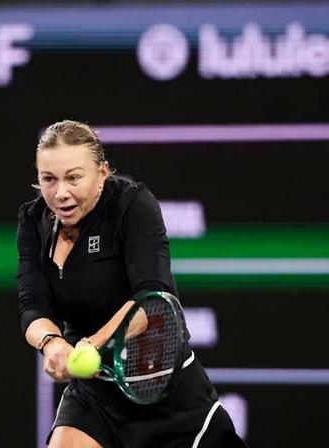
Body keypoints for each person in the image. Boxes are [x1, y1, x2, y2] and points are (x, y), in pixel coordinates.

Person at [17, 120, 247, 447]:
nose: (60, 192)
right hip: (94, 396)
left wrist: (92, 344)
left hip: (164, 392)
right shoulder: (32, 222)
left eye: (74, 177)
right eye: (48, 179)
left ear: (102, 173)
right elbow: (32, 305)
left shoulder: (132, 205)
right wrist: (52, 343)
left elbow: (151, 300)